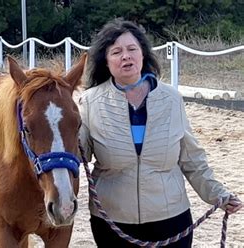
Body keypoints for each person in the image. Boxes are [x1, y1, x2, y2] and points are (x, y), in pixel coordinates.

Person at [78, 18, 242, 247]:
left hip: (171, 219)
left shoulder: (172, 99)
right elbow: (76, 156)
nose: (126, 56)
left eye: (132, 49)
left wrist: (218, 195)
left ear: (143, 54)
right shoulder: (89, 103)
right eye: (116, 52)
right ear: (105, 61)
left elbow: (192, 159)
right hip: (112, 222)